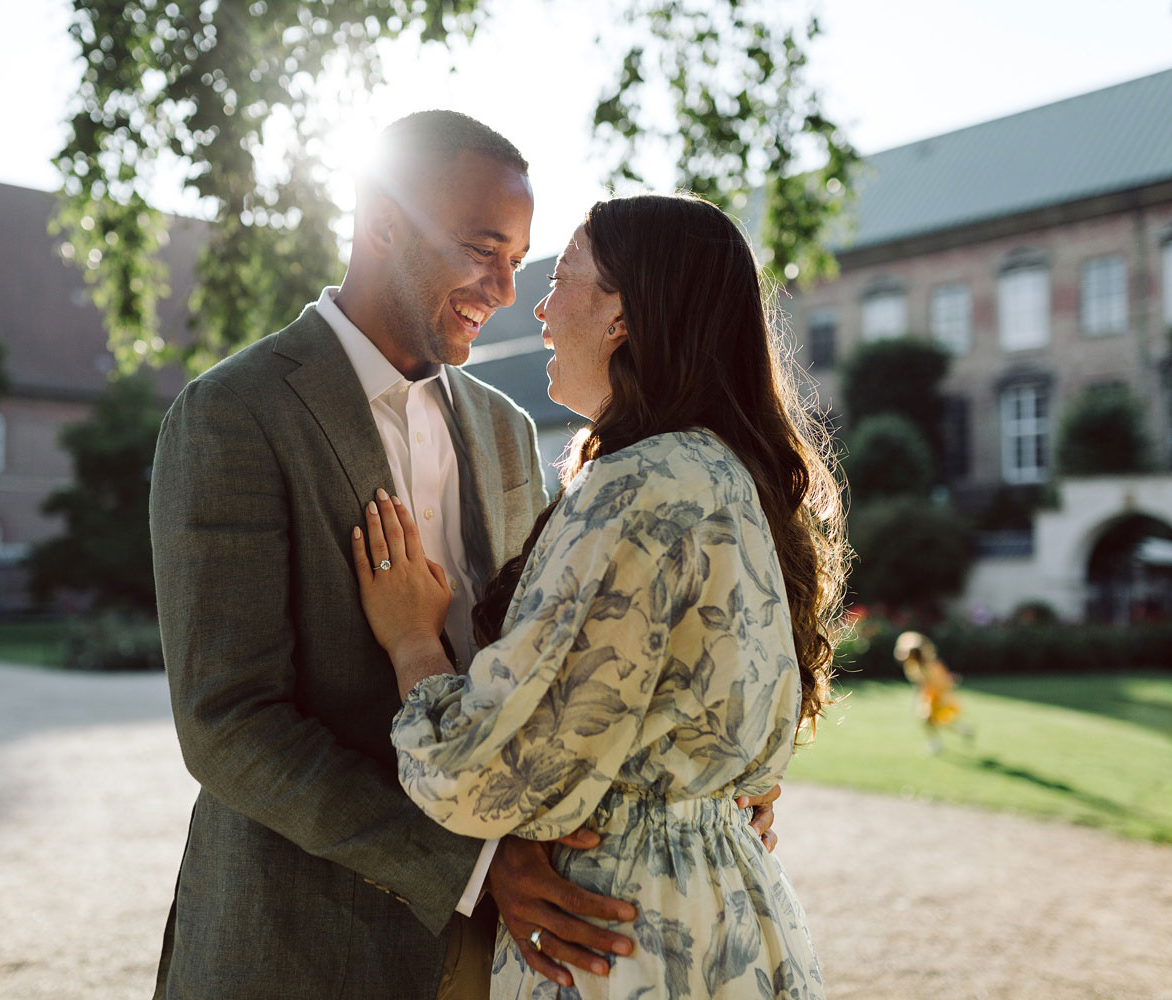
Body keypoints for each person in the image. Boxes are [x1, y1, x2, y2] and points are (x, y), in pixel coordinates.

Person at [149, 113, 778, 999]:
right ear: (382, 222)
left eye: (522, 258)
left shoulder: (510, 431)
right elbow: (229, 724)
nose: (507, 288)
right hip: (302, 946)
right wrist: (473, 866)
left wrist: (709, 783)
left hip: (509, 962)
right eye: (484, 249)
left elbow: (570, 665)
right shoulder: (234, 416)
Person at [351, 193, 846, 999]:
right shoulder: (724, 474)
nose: (538, 308)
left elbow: (486, 776)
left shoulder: (640, 486)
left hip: (616, 938)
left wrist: (412, 641)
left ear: (623, 313)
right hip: (730, 922)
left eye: (563, 278)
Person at [894, 631, 974, 754]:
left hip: (937, 697)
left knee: (934, 720)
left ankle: (942, 740)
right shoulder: (913, 666)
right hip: (930, 696)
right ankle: (959, 732)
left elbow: (939, 683)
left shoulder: (930, 666)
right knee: (933, 721)